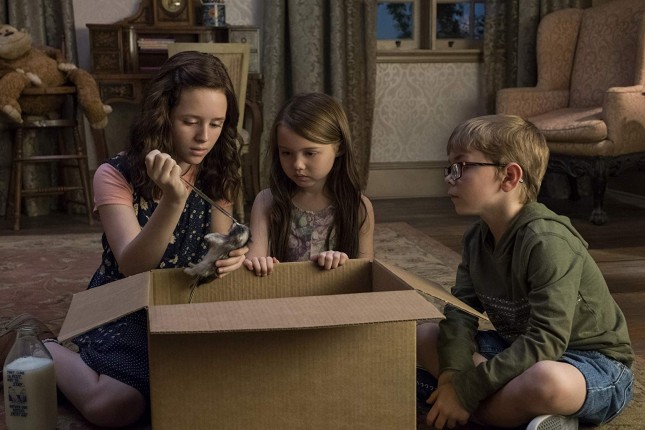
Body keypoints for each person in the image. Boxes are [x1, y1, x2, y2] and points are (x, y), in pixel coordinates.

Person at [42, 51, 246, 427]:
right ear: (163, 115)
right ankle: (39, 347)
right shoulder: (114, 174)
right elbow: (134, 266)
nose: (204, 137)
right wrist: (173, 200)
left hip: (185, 304)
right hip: (125, 304)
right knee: (114, 406)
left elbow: (216, 248)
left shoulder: (217, 170)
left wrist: (230, 257)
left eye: (216, 124)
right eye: (190, 121)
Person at [416, 114, 634, 430]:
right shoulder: (476, 238)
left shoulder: (547, 240)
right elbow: (461, 314)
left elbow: (547, 339)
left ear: (509, 176)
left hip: (592, 363)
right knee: (426, 335)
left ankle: (454, 402)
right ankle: (519, 414)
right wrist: (453, 377)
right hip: (517, 347)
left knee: (546, 380)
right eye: (449, 168)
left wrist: (467, 389)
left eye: (461, 166)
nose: (450, 177)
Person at [243, 92, 374, 276]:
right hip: (283, 292)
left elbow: (366, 274)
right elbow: (252, 264)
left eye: (310, 153)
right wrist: (259, 263)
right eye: (286, 153)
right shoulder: (266, 202)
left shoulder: (358, 207)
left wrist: (341, 263)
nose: (297, 165)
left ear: (339, 148)